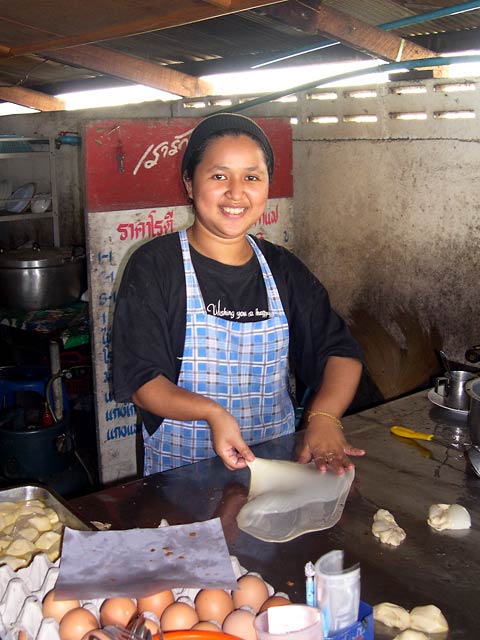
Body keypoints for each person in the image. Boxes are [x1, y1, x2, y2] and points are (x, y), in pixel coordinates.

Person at [112, 113, 365, 476]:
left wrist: (325, 418)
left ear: (266, 186)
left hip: (275, 464)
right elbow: (141, 381)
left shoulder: (282, 269)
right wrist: (212, 413)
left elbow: (339, 352)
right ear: (189, 182)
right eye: (219, 176)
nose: (235, 191)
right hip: (180, 475)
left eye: (251, 177)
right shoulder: (155, 265)